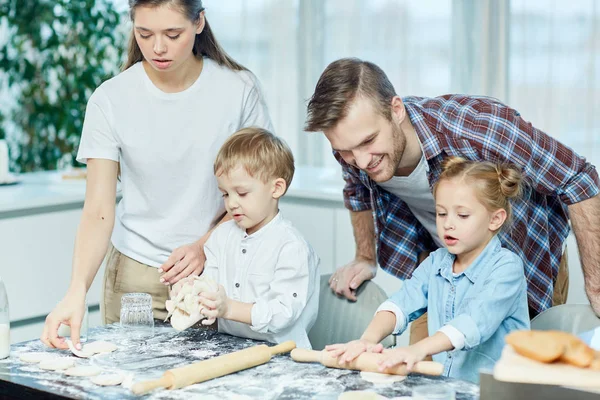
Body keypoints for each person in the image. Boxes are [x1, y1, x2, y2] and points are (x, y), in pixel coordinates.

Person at [304, 57, 600, 346]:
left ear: (396, 110)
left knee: (512, 381)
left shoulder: (481, 129)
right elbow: (357, 190)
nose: (361, 161)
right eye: (346, 151)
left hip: (524, 262)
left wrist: (596, 284)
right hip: (444, 268)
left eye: (369, 142)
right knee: (424, 382)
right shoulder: (351, 148)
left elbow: (579, 179)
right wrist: (365, 257)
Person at [41, 0, 272, 350]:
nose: (158, 48)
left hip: (217, 273)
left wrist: (203, 246)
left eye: (172, 34)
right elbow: (98, 209)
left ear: (199, 23)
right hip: (135, 277)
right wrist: (76, 290)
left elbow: (260, 191)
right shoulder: (110, 99)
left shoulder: (238, 89)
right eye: (144, 34)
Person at [326, 157, 530, 383]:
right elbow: (401, 303)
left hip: (497, 392)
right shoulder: (436, 262)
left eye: (462, 215)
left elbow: (472, 323)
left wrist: (417, 349)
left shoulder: (506, 268)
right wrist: (367, 340)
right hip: (450, 389)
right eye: (442, 213)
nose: (448, 224)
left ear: (495, 219)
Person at [197, 127, 320, 349]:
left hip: (282, 358)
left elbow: (283, 312)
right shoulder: (220, 238)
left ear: (276, 188)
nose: (231, 203)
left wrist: (230, 309)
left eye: (241, 193)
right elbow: (210, 287)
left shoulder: (291, 247)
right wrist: (192, 291)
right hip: (228, 350)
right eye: (225, 194)